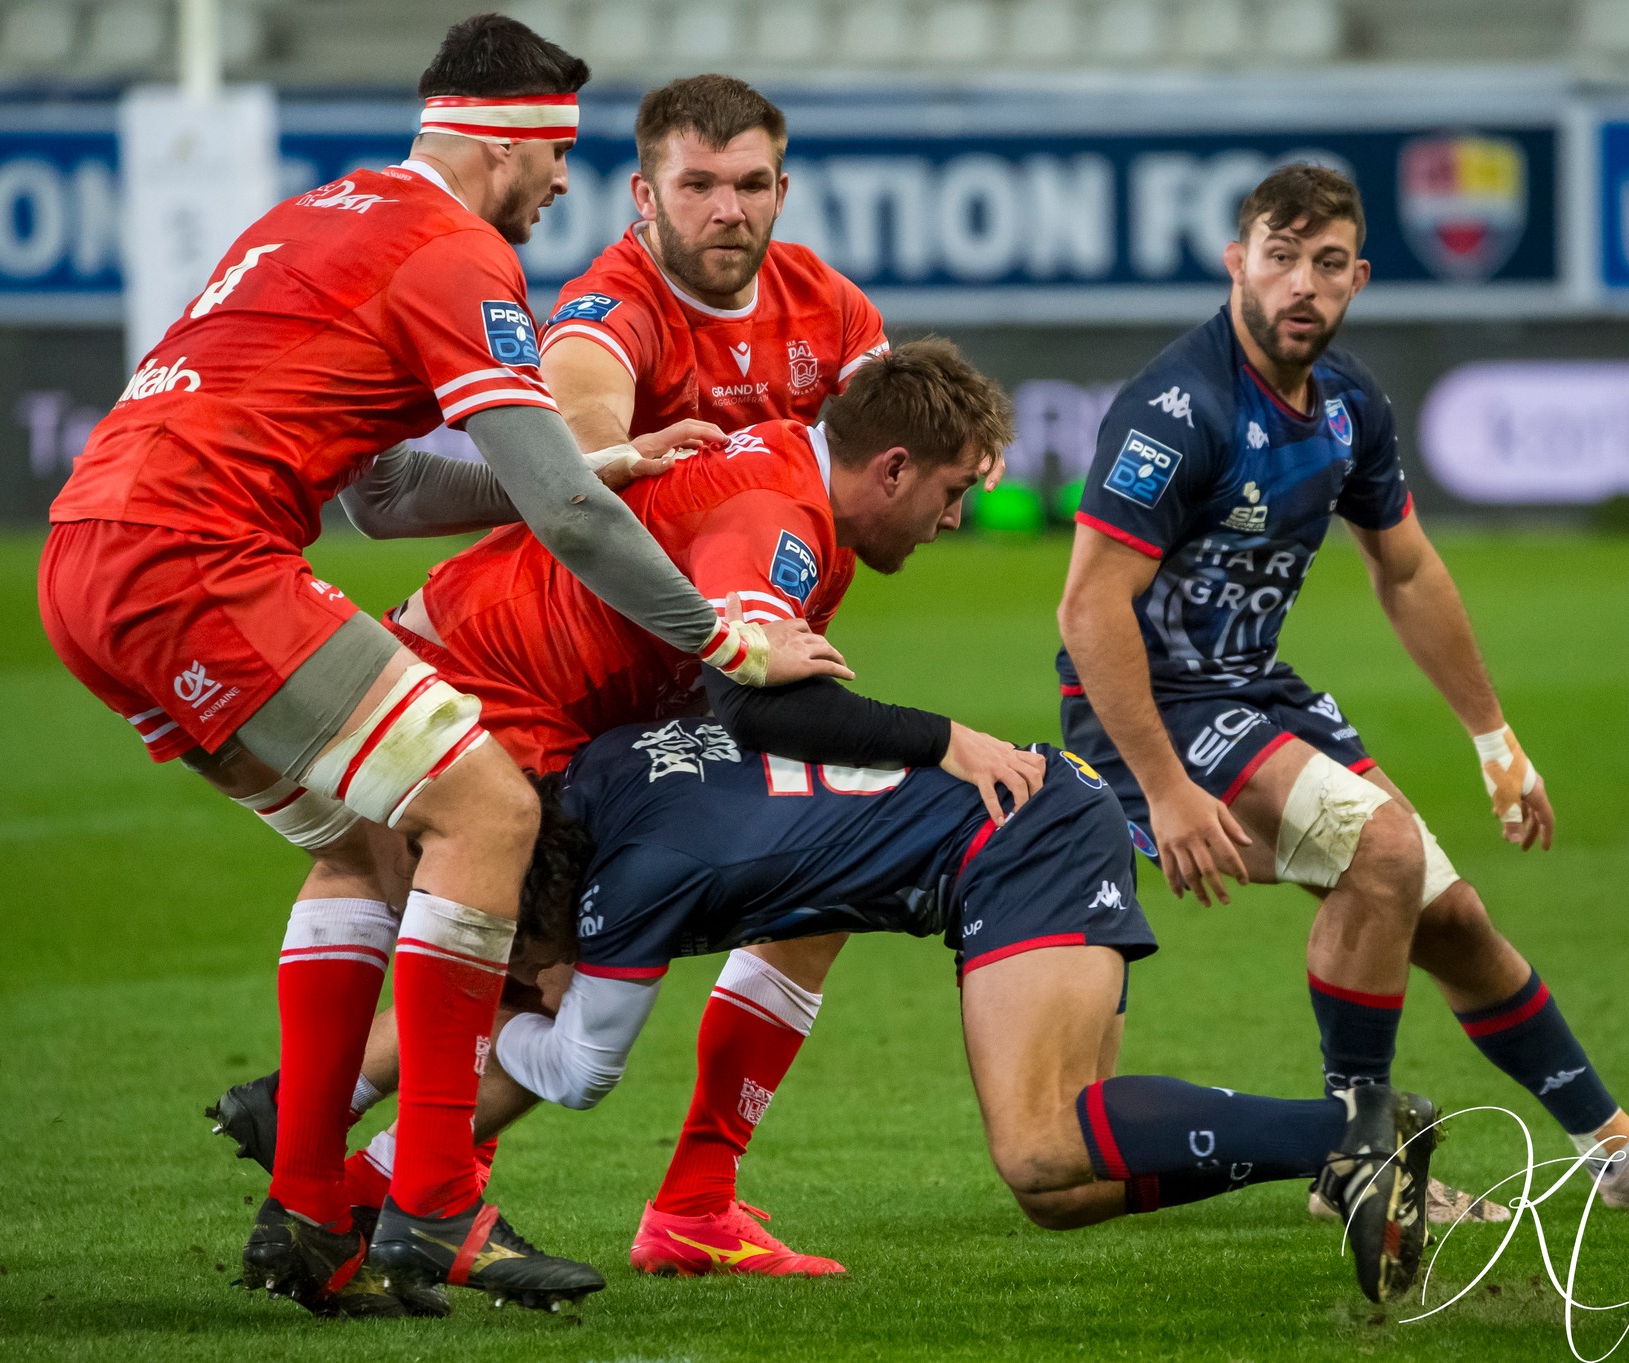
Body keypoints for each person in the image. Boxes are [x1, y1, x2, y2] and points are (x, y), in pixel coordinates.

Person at [39, 16, 843, 1320]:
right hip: (199, 564)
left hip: (88, 559)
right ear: (510, 140)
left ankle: (310, 1210)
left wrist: (586, 472)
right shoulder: (453, 250)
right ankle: (436, 1198)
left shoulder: (311, 217)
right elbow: (575, 525)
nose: (564, 185)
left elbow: (390, 490)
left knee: (367, 843)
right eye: (561, 154)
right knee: (489, 806)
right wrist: (717, 631)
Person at [211, 339, 1048, 1281]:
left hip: (495, 675)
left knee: (540, 960)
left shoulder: (787, 468)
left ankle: (328, 1150)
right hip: (500, 701)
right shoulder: (780, 515)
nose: (953, 519)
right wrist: (946, 741)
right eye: (952, 492)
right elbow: (752, 693)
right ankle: (352, 1167)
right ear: (891, 468)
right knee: (545, 974)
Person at [1054, 163, 1629, 1218]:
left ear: (1358, 276)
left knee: (1452, 917)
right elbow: (1087, 609)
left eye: (1327, 263)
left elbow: (1408, 568)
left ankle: (1611, 1149)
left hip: (1254, 691)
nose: (1302, 284)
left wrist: (1492, 737)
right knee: (1379, 852)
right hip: (1155, 712)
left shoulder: (1348, 403)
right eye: (1279, 257)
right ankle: (1356, 1163)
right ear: (1235, 262)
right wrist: (1159, 784)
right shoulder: (1178, 406)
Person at [252, 720, 1446, 1307]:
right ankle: (682, 1204)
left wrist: (476, 1032)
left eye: (509, 955)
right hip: (1022, 809)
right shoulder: (603, 770)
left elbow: (574, 1073)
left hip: (1011, 835)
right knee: (1061, 1193)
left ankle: (1348, 1135)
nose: (508, 973)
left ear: (544, 920)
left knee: (1039, 1141)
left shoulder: (629, 897)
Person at [537, 73, 898, 1274]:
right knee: (525, 964)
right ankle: (395, 1182)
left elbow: (875, 472)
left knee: (830, 873)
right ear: (644, 193)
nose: (726, 210)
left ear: (781, 189)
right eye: (697, 185)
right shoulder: (611, 304)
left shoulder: (831, 310)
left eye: (750, 185)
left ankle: (695, 1198)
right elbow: (576, 447)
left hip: (726, 670)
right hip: (580, 677)